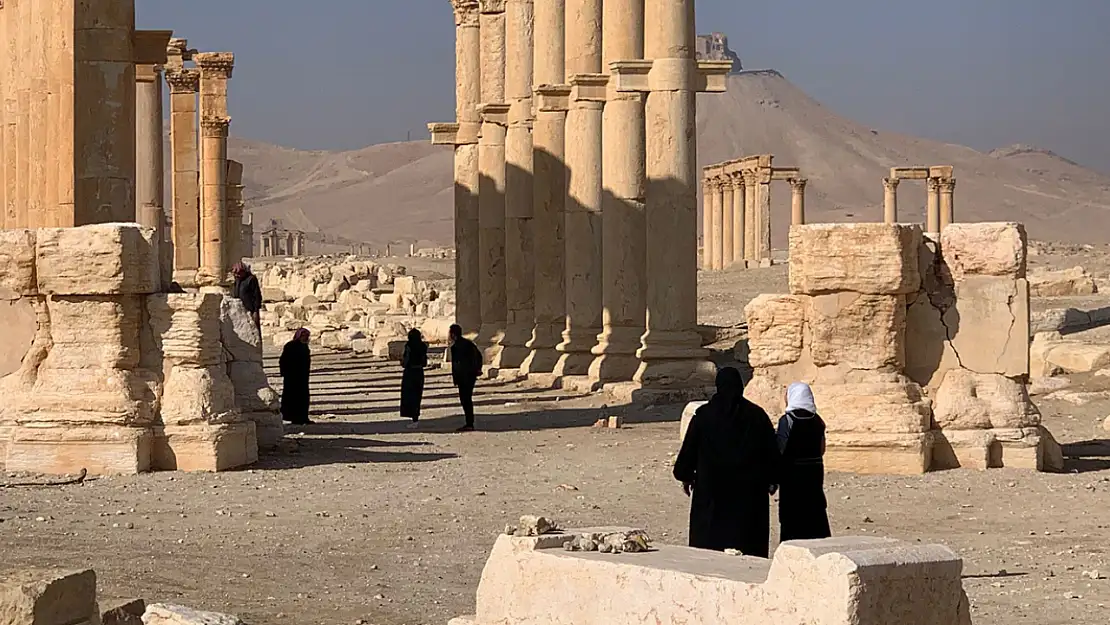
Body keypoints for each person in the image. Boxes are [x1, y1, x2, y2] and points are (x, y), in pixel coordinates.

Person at [673, 367, 780, 556]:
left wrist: (685, 475)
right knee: (748, 550)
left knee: (709, 551)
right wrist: (772, 478)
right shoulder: (757, 416)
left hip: (711, 494)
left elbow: (689, 451)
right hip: (749, 495)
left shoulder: (704, 416)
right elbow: (771, 452)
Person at [775, 382, 832, 542]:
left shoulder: (787, 420)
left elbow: (781, 448)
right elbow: (822, 449)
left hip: (792, 475)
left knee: (792, 516)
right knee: (815, 513)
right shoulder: (818, 421)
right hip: (813, 474)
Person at [448, 324, 483, 432]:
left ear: (453, 334)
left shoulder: (457, 347)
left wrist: (457, 377)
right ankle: (469, 422)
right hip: (470, 375)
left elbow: (457, 364)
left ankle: (469, 423)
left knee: (465, 400)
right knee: (467, 399)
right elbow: (479, 356)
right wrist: (477, 369)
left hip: (464, 376)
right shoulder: (469, 343)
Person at [279, 328, 313, 425]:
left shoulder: (305, 347)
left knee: (303, 397)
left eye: (307, 336)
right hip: (292, 376)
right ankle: (292, 417)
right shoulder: (290, 346)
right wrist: (284, 372)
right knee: (292, 396)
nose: (306, 338)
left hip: (302, 376)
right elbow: (283, 360)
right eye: (304, 336)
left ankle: (303, 417)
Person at [400, 328, 430, 428]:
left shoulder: (409, 346)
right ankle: (415, 417)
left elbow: (406, 360)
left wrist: (403, 362)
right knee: (417, 395)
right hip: (419, 372)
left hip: (410, 372)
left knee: (410, 395)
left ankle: (413, 418)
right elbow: (424, 362)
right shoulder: (423, 346)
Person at [231, 262, 263, 332]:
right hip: (239, 309)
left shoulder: (251, 279)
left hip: (250, 309)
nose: (237, 275)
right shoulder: (237, 280)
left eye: (239, 273)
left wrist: (255, 311)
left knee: (254, 330)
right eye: (236, 274)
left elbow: (257, 295)